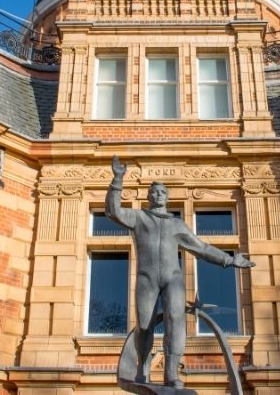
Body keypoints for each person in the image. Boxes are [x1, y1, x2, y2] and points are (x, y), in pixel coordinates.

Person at [106, 156, 254, 389]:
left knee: (176, 321)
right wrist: (117, 180)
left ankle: (171, 373)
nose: (157, 195)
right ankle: (142, 370)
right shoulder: (139, 217)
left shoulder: (177, 225)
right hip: (147, 279)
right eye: (153, 192)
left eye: (162, 192)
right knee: (144, 325)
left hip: (173, 279)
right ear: (148, 197)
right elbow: (113, 211)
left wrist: (229, 259)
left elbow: (202, 248)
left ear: (167, 197)